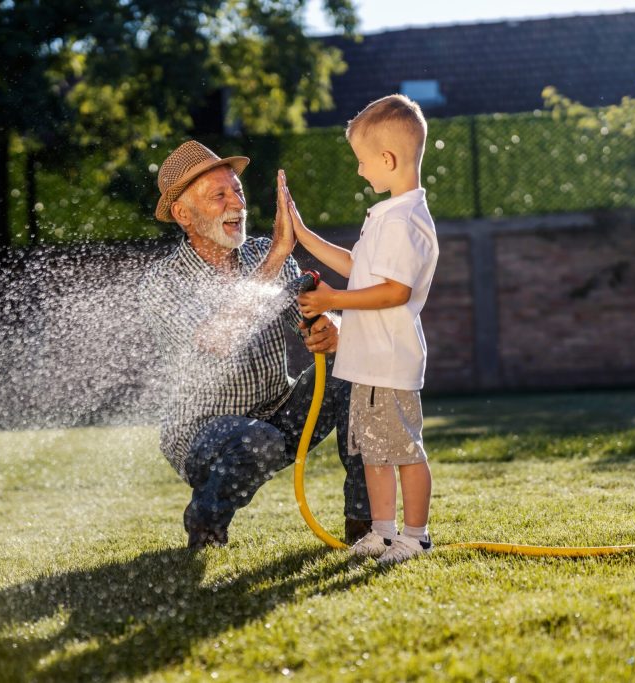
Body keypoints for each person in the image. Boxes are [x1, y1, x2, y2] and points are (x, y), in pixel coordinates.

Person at [139, 140, 371, 550]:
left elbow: (309, 316)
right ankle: (205, 522)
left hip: (278, 413)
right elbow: (216, 340)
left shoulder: (263, 253)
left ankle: (365, 526)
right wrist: (279, 255)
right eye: (220, 195)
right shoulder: (164, 281)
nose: (238, 204)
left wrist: (329, 329)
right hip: (204, 434)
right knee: (256, 439)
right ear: (183, 214)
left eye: (239, 191)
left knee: (355, 367)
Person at [286, 94, 439, 565]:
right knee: (374, 453)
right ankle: (383, 532)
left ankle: (415, 536)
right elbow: (358, 268)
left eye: (362, 161)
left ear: (387, 159)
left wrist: (331, 300)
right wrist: (304, 235)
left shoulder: (404, 221)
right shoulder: (387, 215)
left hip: (389, 362)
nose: (358, 171)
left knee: (405, 453)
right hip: (368, 361)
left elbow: (393, 292)